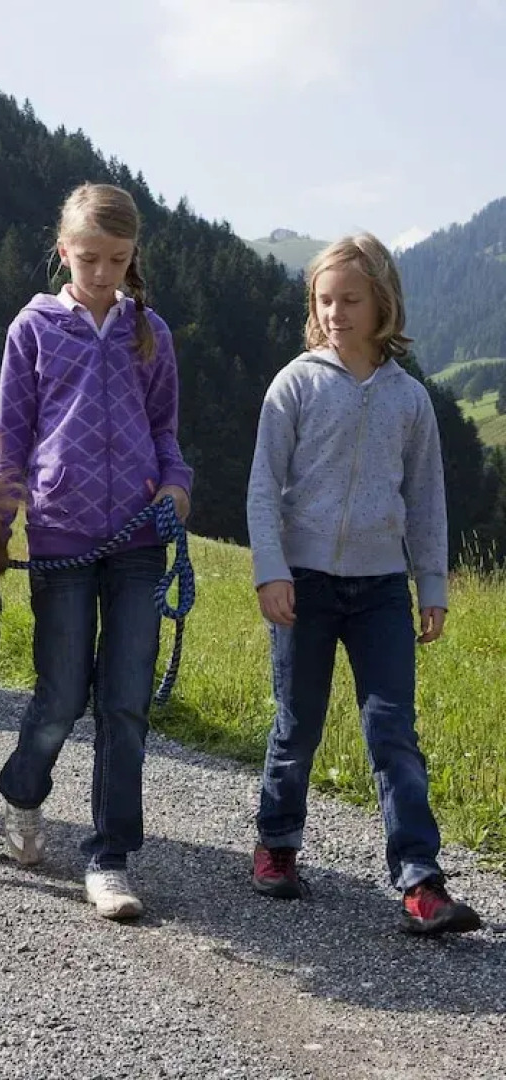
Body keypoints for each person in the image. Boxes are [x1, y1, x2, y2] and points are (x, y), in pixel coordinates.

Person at [246, 233, 480, 935]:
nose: (337, 312)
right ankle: (276, 845)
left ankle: (419, 881)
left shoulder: (410, 401)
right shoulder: (294, 384)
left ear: (383, 301)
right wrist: (271, 571)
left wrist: (430, 584)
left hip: (380, 586)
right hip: (305, 584)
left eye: (352, 299)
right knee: (298, 722)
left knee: (391, 732)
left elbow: (427, 497)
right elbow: (262, 488)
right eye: (325, 300)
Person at [0, 182, 192, 920]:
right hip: (61, 537)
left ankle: (108, 857)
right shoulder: (33, 329)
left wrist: (175, 485)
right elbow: (9, 432)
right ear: (63, 250)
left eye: (117, 258)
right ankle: (22, 790)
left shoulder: (151, 333)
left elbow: (165, 429)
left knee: (125, 703)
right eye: (89, 257)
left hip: (139, 537)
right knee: (63, 693)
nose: (102, 272)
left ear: (133, 256)